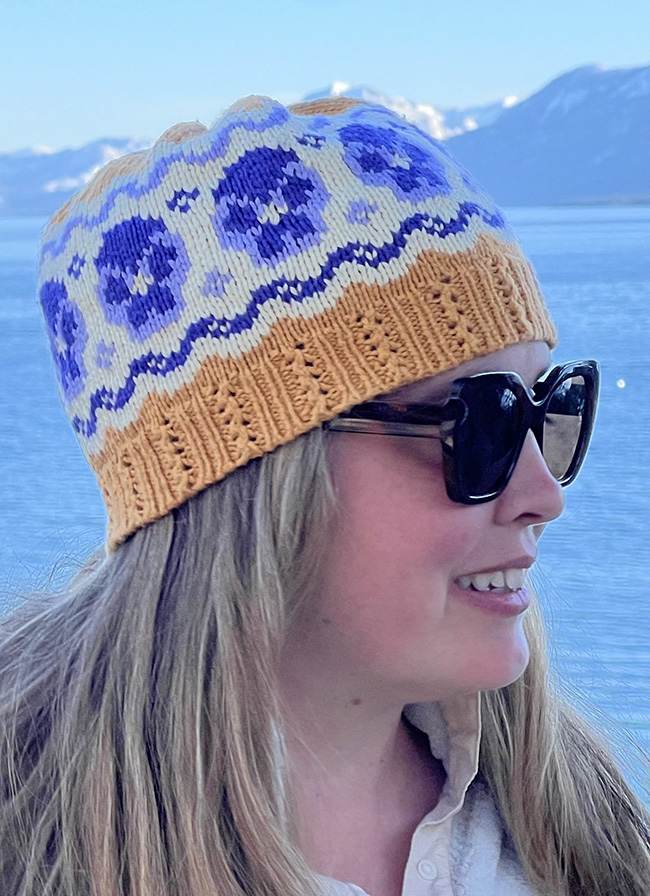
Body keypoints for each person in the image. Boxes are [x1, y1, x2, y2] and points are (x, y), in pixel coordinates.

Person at [0, 94, 648, 896]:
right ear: (252, 481)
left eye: (548, 408)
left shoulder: (583, 835)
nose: (543, 494)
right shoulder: (39, 856)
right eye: (475, 421)